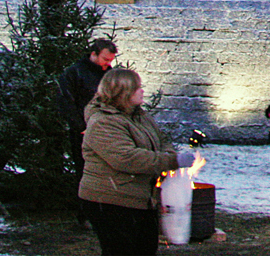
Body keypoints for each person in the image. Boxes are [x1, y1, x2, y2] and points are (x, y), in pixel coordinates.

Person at [79, 67, 195, 256]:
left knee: (145, 248)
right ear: (122, 93)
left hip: (140, 198)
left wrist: (169, 155)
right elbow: (127, 158)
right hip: (111, 199)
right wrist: (171, 161)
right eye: (137, 88)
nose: (142, 91)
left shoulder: (139, 116)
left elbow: (161, 141)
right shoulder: (103, 122)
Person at [57, 38, 118, 219]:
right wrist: (81, 127)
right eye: (105, 59)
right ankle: (86, 215)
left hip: (108, 130)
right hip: (84, 133)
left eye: (111, 61)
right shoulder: (74, 73)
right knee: (86, 172)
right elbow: (66, 102)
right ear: (93, 54)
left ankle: (106, 211)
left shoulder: (109, 74)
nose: (108, 64)